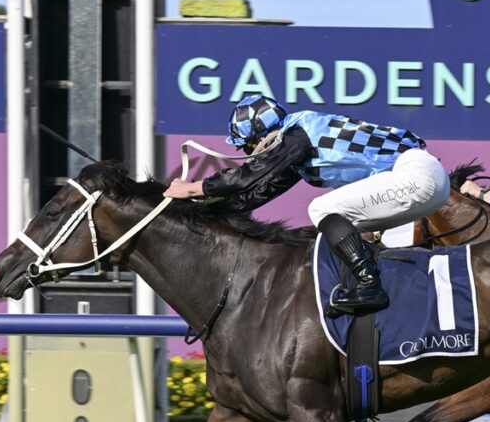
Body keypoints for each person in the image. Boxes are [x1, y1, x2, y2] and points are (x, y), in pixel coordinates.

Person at [164, 94, 450, 313]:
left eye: (247, 146)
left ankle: (369, 285)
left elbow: (248, 176)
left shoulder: (297, 134)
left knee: (321, 209)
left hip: (416, 174)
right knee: (341, 228)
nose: (249, 154)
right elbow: (254, 194)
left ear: (261, 136)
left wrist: (192, 188)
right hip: (425, 185)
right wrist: (202, 211)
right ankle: (385, 291)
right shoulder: (296, 149)